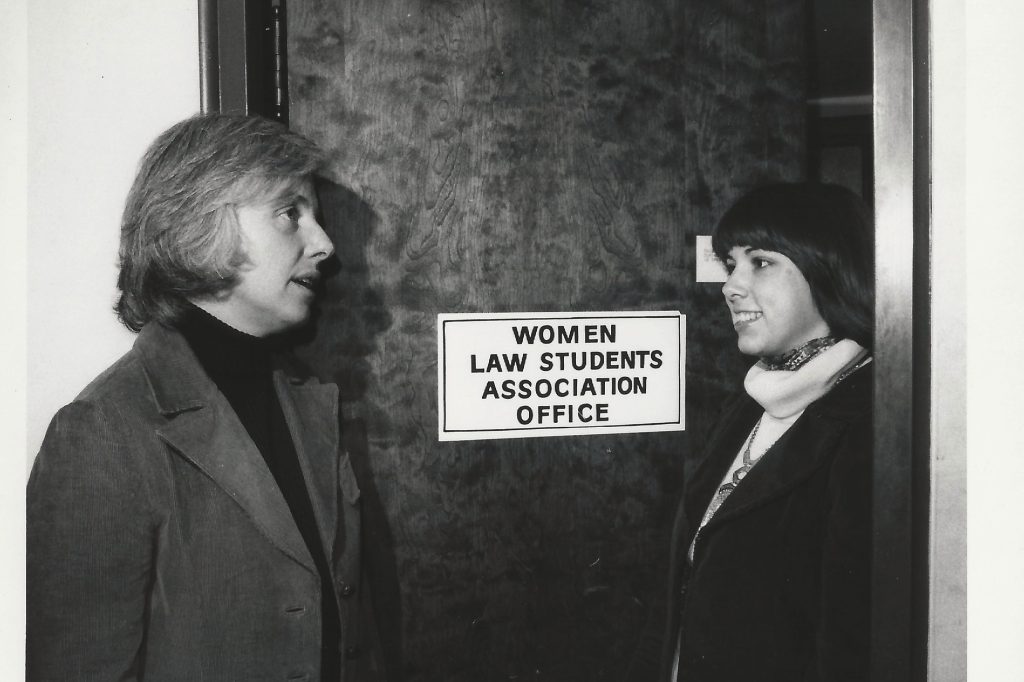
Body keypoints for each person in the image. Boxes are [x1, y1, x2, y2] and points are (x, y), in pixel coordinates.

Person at [27, 113, 385, 681]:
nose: (326, 245)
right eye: (291, 213)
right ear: (201, 222)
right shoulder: (103, 431)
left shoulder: (308, 399)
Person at [661, 183, 874, 681]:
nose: (730, 286)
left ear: (829, 269)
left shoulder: (871, 423)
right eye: (730, 264)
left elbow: (849, 645)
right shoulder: (751, 399)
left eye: (760, 262)